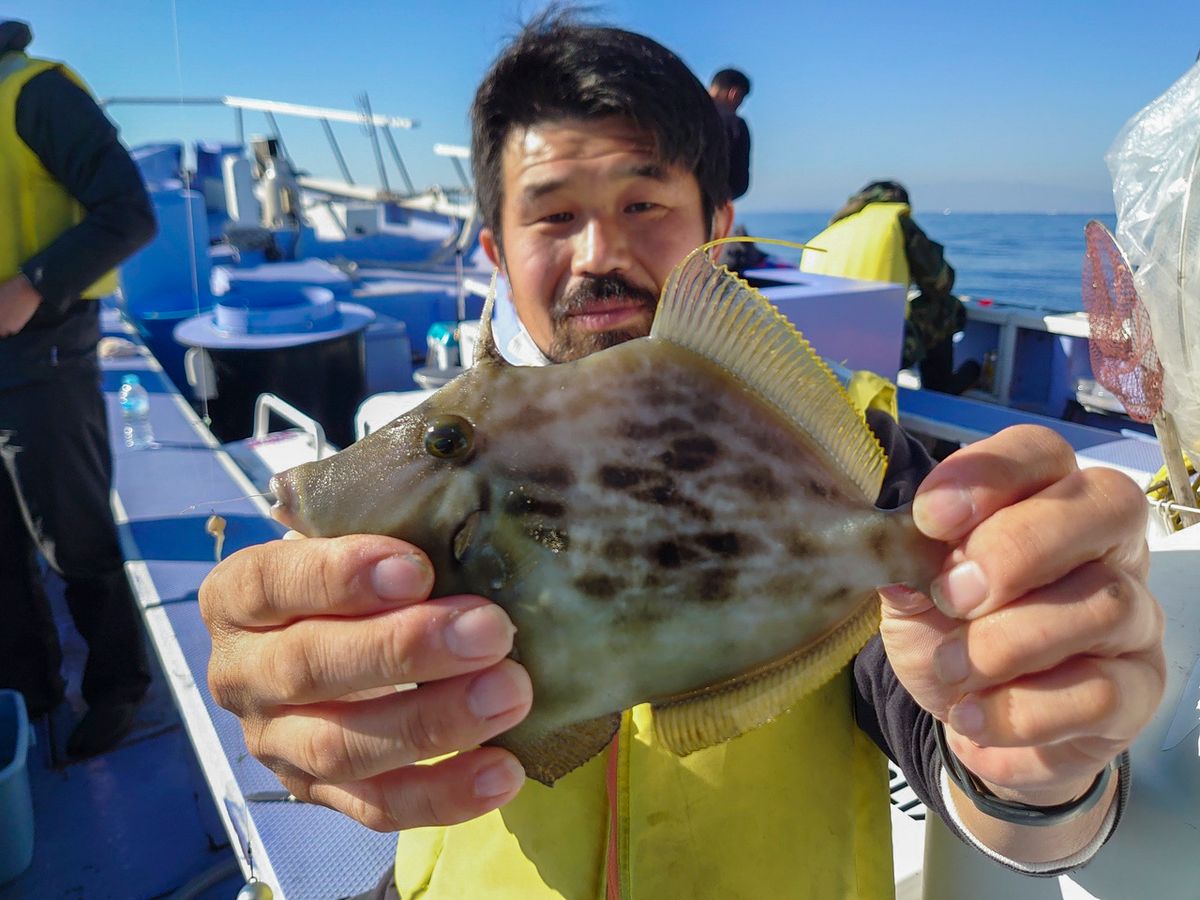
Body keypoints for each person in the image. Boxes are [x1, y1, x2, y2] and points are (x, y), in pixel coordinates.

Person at [199, 12, 1164, 899]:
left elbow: (965, 739)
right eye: (552, 215)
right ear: (494, 250)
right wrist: (296, 710)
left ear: (718, 230)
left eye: (643, 203)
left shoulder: (867, 466)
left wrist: (1039, 765)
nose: (597, 254)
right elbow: (333, 681)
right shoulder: (429, 461)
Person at [0, 20, 157, 757]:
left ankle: (118, 687)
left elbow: (130, 210)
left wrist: (33, 285)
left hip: (45, 353)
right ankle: (28, 692)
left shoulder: (34, 93)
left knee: (72, 538)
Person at [801, 180, 982, 395]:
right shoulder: (895, 221)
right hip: (875, 349)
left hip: (818, 352)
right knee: (945, 308)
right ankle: (941, 387)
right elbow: (940, 283)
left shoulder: (828, 233)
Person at [709, 67, 752, 201]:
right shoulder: (734, 125)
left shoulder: (677, 115)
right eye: (741, 100)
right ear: (734, 94)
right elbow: (738, 183)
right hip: (708, 209)